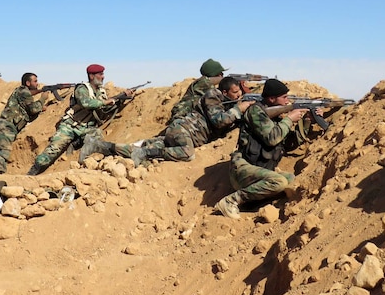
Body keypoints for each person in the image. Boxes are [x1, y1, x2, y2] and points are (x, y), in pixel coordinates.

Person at [80, 76, 251, 166]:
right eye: (235, 92)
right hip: (182, 131)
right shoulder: (213, 96)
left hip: (183, 134)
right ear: (225, 92)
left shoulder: (226, 101)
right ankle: (146, 154)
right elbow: (219, 121)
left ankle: (97, 146)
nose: (238, 96)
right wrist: (239, 109)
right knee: (186, 154)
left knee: (137, 148)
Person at [215, 79, 323, 220]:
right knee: (279, 182)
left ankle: (254, 202)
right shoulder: (255, 112)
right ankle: (230, 201)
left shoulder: (275, 117)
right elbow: (272, 138)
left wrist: (307, 120)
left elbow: (289, 144)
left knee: (290, 179)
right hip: (242, 169)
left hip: (259, 170)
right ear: (271, 99)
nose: (287, 101)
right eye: (284, 97)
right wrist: (289, 119)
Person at [28, 64, 134, 175]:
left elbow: (105, 108)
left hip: (87, 127)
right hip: (70, 125)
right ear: (92, 76)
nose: (103, 77)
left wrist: (122, 97)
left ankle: (80, 152)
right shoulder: (82, 88)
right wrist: (105, 102)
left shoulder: (101, 91)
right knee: (53, 150)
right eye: (100, 74)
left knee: (97, 138)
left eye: (103, 74)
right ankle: (32, 173)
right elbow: (86, 103)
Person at [0, 72, 47, 177]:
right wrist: (43, 98)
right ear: (27, 83)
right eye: (35, 81)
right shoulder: (23, 92)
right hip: (6, 127)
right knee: (2, 154)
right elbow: (33, 109)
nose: (37, 83)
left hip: (6, 127)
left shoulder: (20, 91)